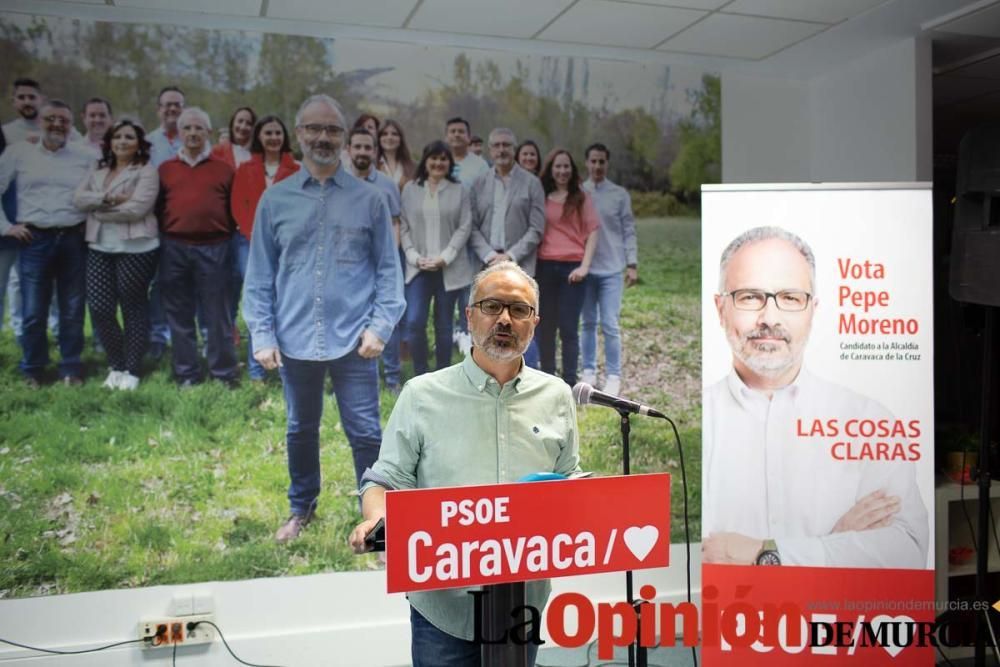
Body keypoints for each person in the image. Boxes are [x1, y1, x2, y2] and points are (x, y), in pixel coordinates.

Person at [349, 261, 581, 667]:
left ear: (534, 322)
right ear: (469, 315)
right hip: (443, 605)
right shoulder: (421, 394)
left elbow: (566, 478)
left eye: (519, 309)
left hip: (523, 600)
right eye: (492, 307)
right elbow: (385, 479)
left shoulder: (557, 395)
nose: (505, 319)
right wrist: (374, 520)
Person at [701, 226, 928, 568]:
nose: (770, 319)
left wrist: (765, 554)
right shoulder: (693, 424)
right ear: (720, 309)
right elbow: (689, 560)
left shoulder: (869, 420)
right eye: (750, 296)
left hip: (840, 623)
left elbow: (907, 553)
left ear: (813, 310)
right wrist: (835, 547)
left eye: (790, 298)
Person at [243, 94, 404, 544]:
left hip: (356, 340)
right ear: (299, 135)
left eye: (333, 130)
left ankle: (374, 522)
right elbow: (258, 276)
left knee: (367, 433)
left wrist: (380, 328)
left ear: (345, 138)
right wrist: (263, 334)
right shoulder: (275, 201)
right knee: (299, 428)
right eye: (314, 129)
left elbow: (390, 274)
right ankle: (301, 509)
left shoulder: (370, 200)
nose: (323, 137)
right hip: (294, 340)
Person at [0, 100, 95, 387]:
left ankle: (70, 367)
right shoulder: (18, 153)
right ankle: (33, 369)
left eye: (63, 120)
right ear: (40, 121)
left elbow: (98, 192)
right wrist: (6, 227)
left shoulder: (86, 155)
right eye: (51, 119)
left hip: (73, 238)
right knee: (33, 310)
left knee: (73, 308)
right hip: (34, 239)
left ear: (71, 125)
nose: (57, 125)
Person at [73, 119, 159, 390]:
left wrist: (97, 207)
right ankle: (117, 364)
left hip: (136, 248)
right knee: (99, 308)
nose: (123, 141)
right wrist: (110, 200)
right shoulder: (98, 170)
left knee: (132, 306)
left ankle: (132, 370)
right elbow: (78, 199)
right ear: (110, 142)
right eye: (118, 137)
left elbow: (138, 209)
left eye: (129, 137)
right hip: (99, 246)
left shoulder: (146, 171)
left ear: (138, 144)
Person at [156, 106, 239, 388]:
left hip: (214, 247)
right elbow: (158, 209)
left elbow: (233, 209)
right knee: (179, 314)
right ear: (179, 133)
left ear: (208, 133)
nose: (193, 133)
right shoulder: (166, 169)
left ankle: (223, 374)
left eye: (198, 128)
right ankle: (187, 373)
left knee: (218, 315)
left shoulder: (224, 170)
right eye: (187, 128)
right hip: (174, 247)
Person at [468, 128, 546, 367]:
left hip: (520, 266)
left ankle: (527, 373)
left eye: (506, 145)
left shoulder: (532, 183)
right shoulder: (478, 183)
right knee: (487, 321)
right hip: (486, 263)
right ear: (490, 150)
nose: (501, 150)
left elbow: (536, 228)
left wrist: (510, 257)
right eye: (496, 145)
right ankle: (488, 373)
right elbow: (471, 226)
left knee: (521, 321)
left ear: (514, 149)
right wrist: (491, 256)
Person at [230, 115, 299, 382]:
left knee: (284, 302)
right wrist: (255, 238)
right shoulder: (245, 169)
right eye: (268, 132)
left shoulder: (295, 170)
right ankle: (256, 369)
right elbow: (239, 206)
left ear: (284, 138)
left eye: (277, 133)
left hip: (286, 245)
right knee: (257, 302)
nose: (273, 137)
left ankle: (286, 367)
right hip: (249, 243)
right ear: (259, 136)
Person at [400, 141, 473, 376]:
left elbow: (465, 226)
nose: (438, 163)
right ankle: (420, 373)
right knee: (414, 322)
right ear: (425, 160)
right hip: (418, 267)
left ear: (449, 163)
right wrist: (413, 256)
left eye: (443, 159)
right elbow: (403, 227)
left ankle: (442, 375)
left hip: (448, 269)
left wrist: (445, 257)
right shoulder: (411, 189)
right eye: (434, 158)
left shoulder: (458, 189)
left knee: (444, 326)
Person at [347, 127, 405, 393]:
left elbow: (395, 223)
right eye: (356, 147)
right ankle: (350, 376)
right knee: (351, 319)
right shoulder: (339, 182)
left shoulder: (386, 184)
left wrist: (388, 260)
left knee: (386, 318)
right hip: (348, 266)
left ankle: (392, 376)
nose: (362, 152)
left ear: (375, 151)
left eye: (367, 147)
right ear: (348, 150)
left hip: (379, 264)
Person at [535, 149, 599, 386]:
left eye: (566, 167)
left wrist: (584, 266)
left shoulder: (581, 198)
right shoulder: (541, 195)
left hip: (572, 269)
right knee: (546, 327)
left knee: (569, 328)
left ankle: (570, 382)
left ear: (572, 170)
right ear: (551, 169)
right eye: (558, 166)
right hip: (545, 267)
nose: (562, 171)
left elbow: (593, 231)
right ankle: (548, 379)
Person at [580, 143, 637, 397]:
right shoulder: (579, 192)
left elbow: (628, 230)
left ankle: (613, 376)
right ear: (586, 163)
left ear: (607, 163)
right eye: (593, 161)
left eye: (602, 161)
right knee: (588, 322)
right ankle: (589, 371)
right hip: (585, 270)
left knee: (610, 324)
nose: (597, 166)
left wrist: (632, 264)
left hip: (612, 270)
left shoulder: (619, 194)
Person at [146, 85, 186, 361]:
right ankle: (158, 336)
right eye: (167, 105)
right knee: (159, 284)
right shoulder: (148, 143)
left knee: (188, 285)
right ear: (159, 109)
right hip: (155, 223)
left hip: (188, 225)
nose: (172, 110)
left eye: (177, 105)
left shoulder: (194, 138)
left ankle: (185, 336)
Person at [445, 117, 488, 186]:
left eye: (461, 131)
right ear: (446, 138)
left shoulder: (480, 165)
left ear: (469, 138)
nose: (457, 135)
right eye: (453, 131)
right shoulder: (437, 163)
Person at [376, 119, 415, 191]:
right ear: (379, 139)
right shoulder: (372, 166)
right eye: (384, 134)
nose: (389, 137)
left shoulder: (413, 166)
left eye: (394, 134)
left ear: (400, 139)